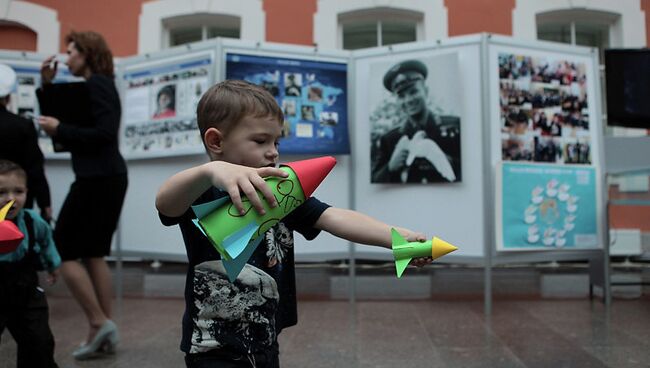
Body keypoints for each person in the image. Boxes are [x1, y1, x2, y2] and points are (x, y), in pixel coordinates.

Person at [155, 80, 432, 367]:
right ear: (216, 142)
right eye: (261, 141)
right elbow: (165, 203)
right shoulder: (200, 190)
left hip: (266, 337)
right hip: (212, 346)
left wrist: (397, 238)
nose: (273, 151)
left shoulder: (280, 190)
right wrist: (210, 171)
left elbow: (333, 217)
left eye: (276, 142)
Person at [37, 31, 127, 360]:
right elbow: (61, 121)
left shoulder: (98, 85)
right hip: (104, 176)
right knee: (93, 253)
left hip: (98, 177)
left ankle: (98, 321)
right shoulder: (96, 85)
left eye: (71, 51)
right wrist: (47, 86)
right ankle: (102, 330)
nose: (67, 57)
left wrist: (60, 129)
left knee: (62, 249)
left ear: (87, 54)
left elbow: (101, 132)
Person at [0, 160, 61, 367]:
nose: (11, 199)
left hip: (25, 291)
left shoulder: (32, 221)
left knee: (39, 343)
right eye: (1, 192)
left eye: (18, 192)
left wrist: (52, 265)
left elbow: (46, 242)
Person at [371, 59, 461, 184]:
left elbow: (473, 170)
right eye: (401, 96)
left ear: (426, 91)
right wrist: (390, 167)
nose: (408, 100)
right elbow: (373, 182)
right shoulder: (390, 139)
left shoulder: (455, 126)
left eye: (413, 92)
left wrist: (444, 160)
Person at [0, 64, 52, 222]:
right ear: (8, 98)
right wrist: (45, 204)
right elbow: (35, 168)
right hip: (14, 207)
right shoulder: (22, 126)